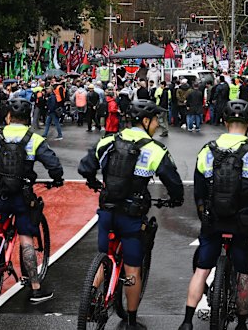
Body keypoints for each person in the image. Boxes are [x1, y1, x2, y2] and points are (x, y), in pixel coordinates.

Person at [78, 99, 184, 330]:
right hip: (132, 216)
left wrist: (93, 181)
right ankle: (131, 320)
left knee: (104, 256)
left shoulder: (107, 141)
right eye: (155, 120)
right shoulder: (154, 149)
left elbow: (85, 167)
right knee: (133, 268)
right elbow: (173, 181)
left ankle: (90, 302)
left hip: (107, 211)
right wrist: (176, 199)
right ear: (145, 121)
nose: (157, 124)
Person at [178, 99, 248, 330]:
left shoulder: (207, 151)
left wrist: (205, 216)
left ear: (224, 121)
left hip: (213, 220)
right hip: (243, 223)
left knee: (202, 270)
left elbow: (199, 192)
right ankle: (241, 323)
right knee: (242, 273)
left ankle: (187, 321)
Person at [0, 98, 64, 304]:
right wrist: (56, 179)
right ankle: (36, 288)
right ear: (28, 117)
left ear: (8, 117)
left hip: (0, 196)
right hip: (23, 196)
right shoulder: (34, 139)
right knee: (26, 238)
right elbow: (54, 165)